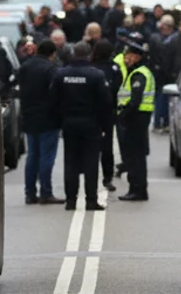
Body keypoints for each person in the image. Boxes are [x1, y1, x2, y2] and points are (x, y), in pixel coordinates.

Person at [50, 42, 112, 210]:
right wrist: (106, 127)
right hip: (91, 124)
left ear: (73, 54)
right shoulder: (96, 75)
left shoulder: (61, 74)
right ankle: (91, 200)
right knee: (91, 163)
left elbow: (53, 100)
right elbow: (105, 103)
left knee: (70, 162)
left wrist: (59, 122)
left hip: (69, 124)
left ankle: (71, 201)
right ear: (89, 55)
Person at [20, 40, 64, 204]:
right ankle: (46, 192)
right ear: (52, 54)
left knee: (32, 156)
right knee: (47, 157)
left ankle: (30, 193)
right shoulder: (50, 69)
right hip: (48, 119)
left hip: (29, 117)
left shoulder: (25, 66)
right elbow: (55, 94)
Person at [117, 32, 155, 201]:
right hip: (140, 118)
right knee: (137, 156)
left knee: (134, 157)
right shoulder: (140, 72)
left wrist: (123, 114)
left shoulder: (139, 74)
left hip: (136, 119)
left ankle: (137, 189)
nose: (126, 59)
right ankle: (138, 189)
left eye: (129, 56)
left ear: (137, 57)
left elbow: (135, 100)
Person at [92, 39, 122, 192]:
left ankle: (90, 176)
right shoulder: (114, 68)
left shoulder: (91, 68)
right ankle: (107, 177)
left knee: (91, 147)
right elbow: (117, 87)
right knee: (106, 147)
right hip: (108, 113)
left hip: (91, 113)